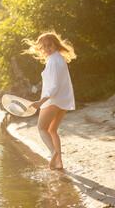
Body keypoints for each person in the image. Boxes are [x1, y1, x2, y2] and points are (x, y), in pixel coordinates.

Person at [23, 31, 76, 170]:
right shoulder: (55, 59)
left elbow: (54, 87)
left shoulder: (55, 61)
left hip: (53, 100)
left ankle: (53, 152)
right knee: (52, 130)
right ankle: (59, 162)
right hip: (62, 101)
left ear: (56, 44)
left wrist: (40, 102)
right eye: (44, 46)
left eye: (49, 45)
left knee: (41, 128)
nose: (46, 48)